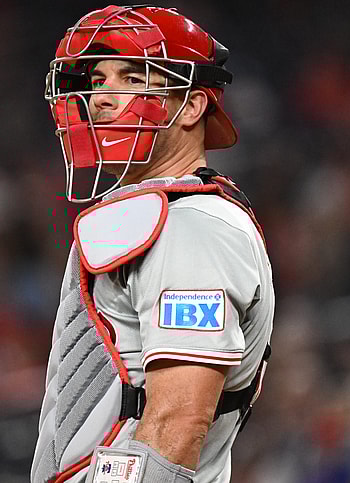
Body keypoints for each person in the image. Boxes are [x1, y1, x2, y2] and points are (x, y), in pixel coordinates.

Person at [32, 5, 274, 482]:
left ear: (191, 105)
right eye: (97, 81)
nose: (101, 98)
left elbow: (177, 424)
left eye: (131, 77)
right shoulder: (159, 217)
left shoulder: (195, 228)